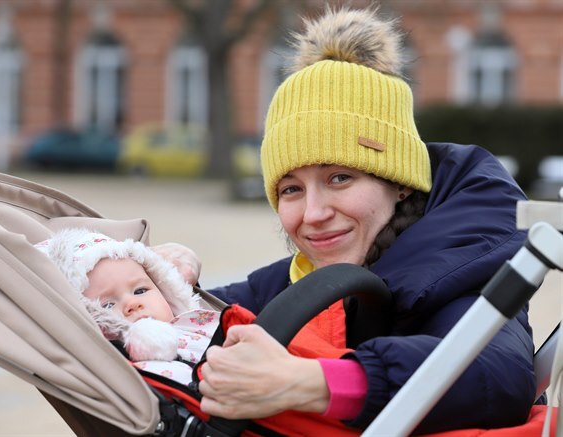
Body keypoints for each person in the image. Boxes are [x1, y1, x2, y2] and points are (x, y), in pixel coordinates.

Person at [168, 6, 536, 434]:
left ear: (399, 182)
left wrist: (307, 382)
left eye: (339, 178)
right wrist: (165, 279)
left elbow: (498, 376)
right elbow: (215, 306)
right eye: (291, 189)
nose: (314, 214)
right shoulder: (307, 277)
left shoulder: (456, 263)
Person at [35, 228, 220, 384]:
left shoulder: (201, 325)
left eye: (140, 291)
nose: (132, 304)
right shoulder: (131, 375)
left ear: (165, 290)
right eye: (107, 305)